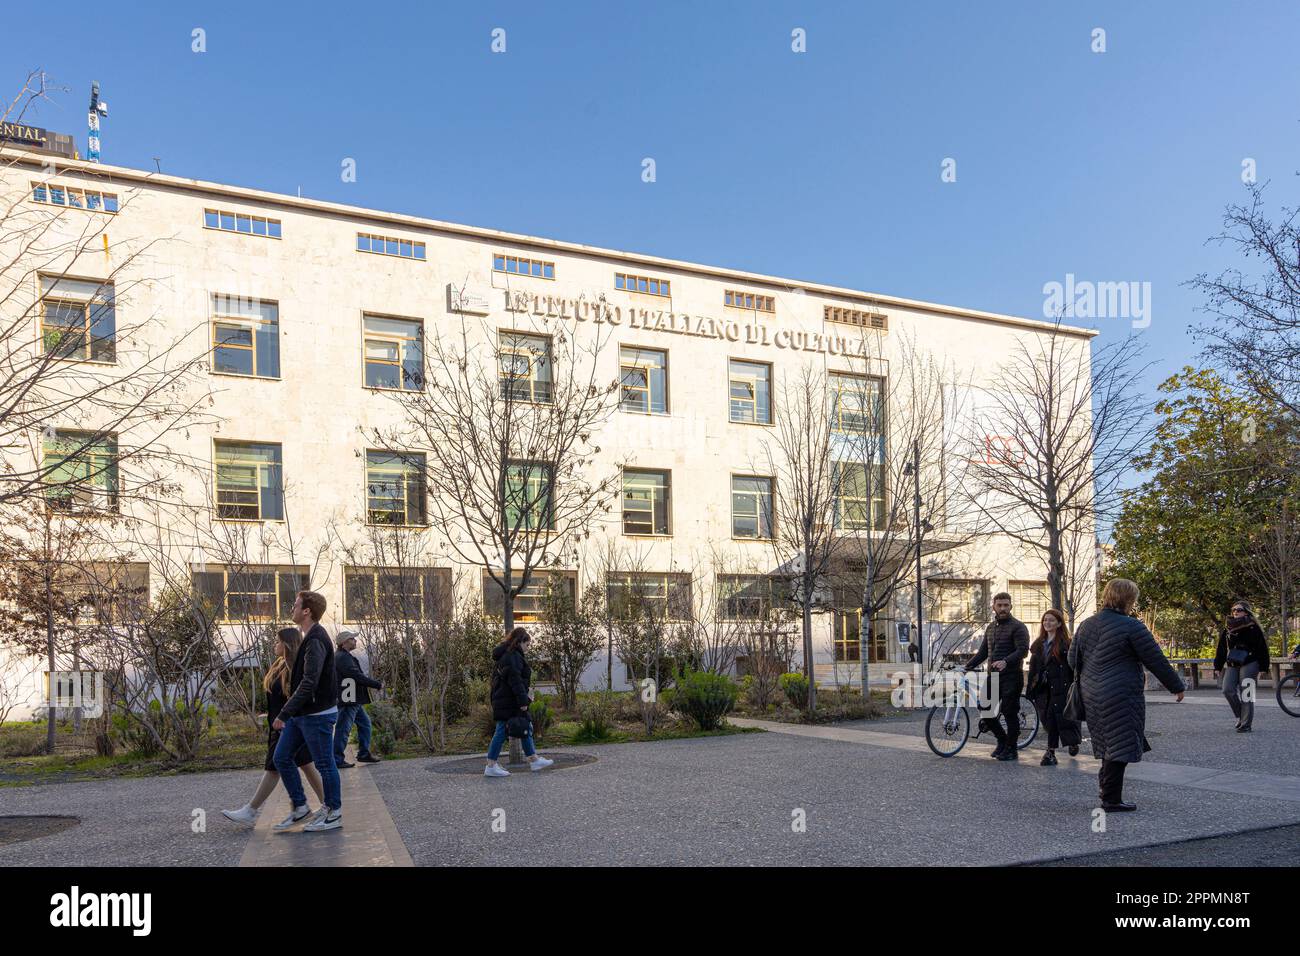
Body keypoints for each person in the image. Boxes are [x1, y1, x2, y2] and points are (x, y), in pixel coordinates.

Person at [1068, 578, 1185, 812]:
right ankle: (1110, 799)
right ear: (1129, 599)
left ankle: (1108, 794)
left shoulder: (1086, 625)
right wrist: (1176, 686)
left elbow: (1073, 660)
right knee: (1120, 743)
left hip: (1091, 692)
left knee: (1107, 741)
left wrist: (1093, 674)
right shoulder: (1132, 626)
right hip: (1121, 693)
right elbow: (1155, 660)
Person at [221, 628, 324, 826]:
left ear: (287, 644)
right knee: (305, 765)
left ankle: (251, 810)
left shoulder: (295, 668)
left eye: (277, 641)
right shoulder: (280, 665)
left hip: (288, 725)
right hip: (280, 724)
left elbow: (298, 697)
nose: (274, 645)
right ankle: (324, 805)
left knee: (274, 767)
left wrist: (285, 718)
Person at [271, 590, 343, 832]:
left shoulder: (315, 639)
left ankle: (334, 812)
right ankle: (301, 807)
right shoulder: (308, 637)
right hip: (303, 714)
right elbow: (303, 677)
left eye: (295, 604)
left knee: (324, 764)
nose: (292, 608)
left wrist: (284, 713)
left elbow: (309, 682)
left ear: (306, 611)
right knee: (281, 757)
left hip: (317, 715)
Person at [964, 591, 1029, 761]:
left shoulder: (1018, 626)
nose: (1002, 608)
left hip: (1011, 677)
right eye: (999, 605)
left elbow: (1022, 650)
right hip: (993, 677)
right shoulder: (991, 628)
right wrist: (967, 666)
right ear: (993, 606)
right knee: (986, 711)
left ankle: (1012, 749)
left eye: (1006, 605)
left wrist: (1006, 661)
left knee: (1009, 713)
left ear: (1011, 606)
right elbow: (983, 652)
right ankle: (1002, 741)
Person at [484, 627, 554, 777]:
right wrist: (523, 700)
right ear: (520, 641)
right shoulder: (512, 656)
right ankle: (490, 765)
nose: (528, 648)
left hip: (505, 698)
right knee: (502, 730)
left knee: (525, 725)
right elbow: (515, 681)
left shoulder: (508, 654)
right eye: (527, 645)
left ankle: (534, 760)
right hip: (508, 700)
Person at [1025, 609, 1081, 766]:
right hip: (1044, 688)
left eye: (1051, 620)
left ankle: (1059, 748)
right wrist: (1031, 688)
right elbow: (1034, 669)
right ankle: (1053, 750)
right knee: (1049, 719)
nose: (1047, 623)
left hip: (1062, 686)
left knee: (1065, 717)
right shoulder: (1038, 644)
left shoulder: (1066, 644)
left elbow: (1073, 666)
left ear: (1058, 623)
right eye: (1045, 620)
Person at [1214, 601, 1270, 733]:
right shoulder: (1228, 628)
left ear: (1246, 611)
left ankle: (1246, 724)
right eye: (1233, 610)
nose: (1235, 612)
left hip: (1251, 662)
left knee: (1247, 693)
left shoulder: (1253, 627)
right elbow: (1221, 648)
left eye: (1239, 610)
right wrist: (1218, 666)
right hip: (1233, 662)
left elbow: (1262, 648)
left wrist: (1263, 667)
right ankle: (1241, 716)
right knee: (1227, 690)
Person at [333, 629, 383, 767]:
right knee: (343, 729)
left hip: (352, 699)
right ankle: (337, 759)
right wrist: (376, 684)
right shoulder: (342, 658)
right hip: (349, 699)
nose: (355, 641)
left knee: (365, 724)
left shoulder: (343, 656)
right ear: (344, 643)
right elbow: (356, 676)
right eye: (352, 639)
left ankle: (363, 754)